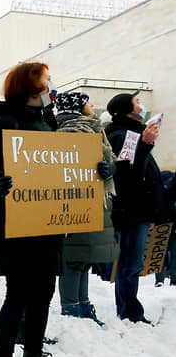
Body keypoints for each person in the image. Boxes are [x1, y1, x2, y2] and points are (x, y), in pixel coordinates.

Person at [0, 62, 66, 357]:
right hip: (18, 221)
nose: (49, 84)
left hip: (47, 221)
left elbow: (60, 165)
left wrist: (93, 170)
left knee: (45, 292)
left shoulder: (47, 120)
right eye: (45, 79)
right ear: (29, 86)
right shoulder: (7, 120)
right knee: (18, 294)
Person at [54, 92, 119, 326]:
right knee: (73, 257)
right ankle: (71, 308)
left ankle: (82, 305)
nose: (92, 105)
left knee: (84, 257)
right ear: (78, 108)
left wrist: (108, 169)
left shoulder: (93, 129)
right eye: (87, 103)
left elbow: (107, 162)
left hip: (94, 198)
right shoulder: (67, 130)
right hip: (72, 202)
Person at [105, 91, 163, 323]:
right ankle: (129, 312)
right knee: (130, 263)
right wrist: (146, 145)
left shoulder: (132, 131)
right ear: (127, 109)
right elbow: (128, 174)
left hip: (137, 209)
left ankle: (129, 309)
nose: (141, 104)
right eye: (137, 102)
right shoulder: (124, 134)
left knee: (132, 263)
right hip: (129, 211)